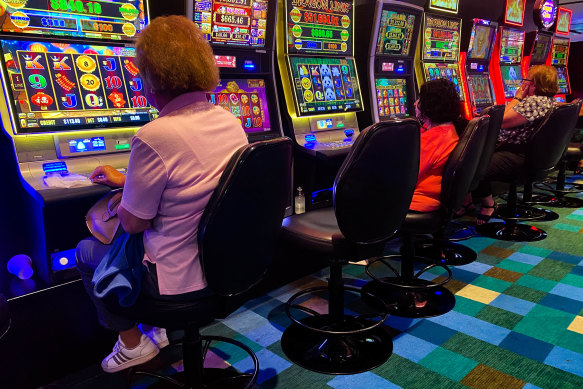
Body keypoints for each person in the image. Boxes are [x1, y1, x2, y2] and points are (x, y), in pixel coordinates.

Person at [75, 15, 248, 373]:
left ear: (151, 77)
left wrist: (125, 198)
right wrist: (130, 180)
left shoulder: (155, 135)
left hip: (177, 278)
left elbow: (134, 222)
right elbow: (195, 182)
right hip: (228, 263)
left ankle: (132, 343)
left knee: (86, 250)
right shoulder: (227, 120)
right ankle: (163, 330)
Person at [473, 65, 558, 224]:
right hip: (528, 155)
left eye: (525, 80)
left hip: (517, 156)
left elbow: (502, 122)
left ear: (533, 84)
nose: (522, 83)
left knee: (473, 164)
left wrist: (517, 98)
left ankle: (488, 204)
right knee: (476, 155)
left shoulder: (535, 102)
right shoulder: (547, 101)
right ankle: (468, 200)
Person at [410, 78, 460, 213]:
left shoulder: (434, 139)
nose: (415, 103)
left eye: (419, 99)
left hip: (414, 201)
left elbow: (406, 175)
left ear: (430, 104)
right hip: (430, 198)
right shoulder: (448, 129)